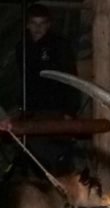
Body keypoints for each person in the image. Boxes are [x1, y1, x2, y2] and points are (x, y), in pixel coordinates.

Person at [14, 3, 79, 172]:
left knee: (55, 159)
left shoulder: (59, 46)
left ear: (48, 25)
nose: (37, 28)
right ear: (27, 24)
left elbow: (71, 78)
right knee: (33, 159)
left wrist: (70, 111)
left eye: (42, 23)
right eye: (34, 23)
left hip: (56, 111)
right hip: (31, 111)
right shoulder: (22, 47)